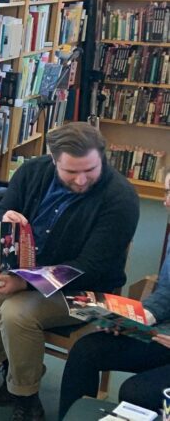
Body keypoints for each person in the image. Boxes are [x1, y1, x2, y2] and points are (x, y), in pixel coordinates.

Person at [0, 122, 140, 421]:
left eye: (91, 169)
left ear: (102, 157)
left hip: (88, 291)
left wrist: (23, 284)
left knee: (16, 314)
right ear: (53, 159)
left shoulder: (120, 198)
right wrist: (5, 219)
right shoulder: (31, 172)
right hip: (23, 270)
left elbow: (91, 267)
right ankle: (18, 367)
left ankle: (25, 396)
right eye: (71, 172)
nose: (82, 180)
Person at [58, 173, 170, 415]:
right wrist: (141, 317)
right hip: (163, 334)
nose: (165, 202)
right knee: (86, 351)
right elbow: (167, 290)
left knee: (135, 392)